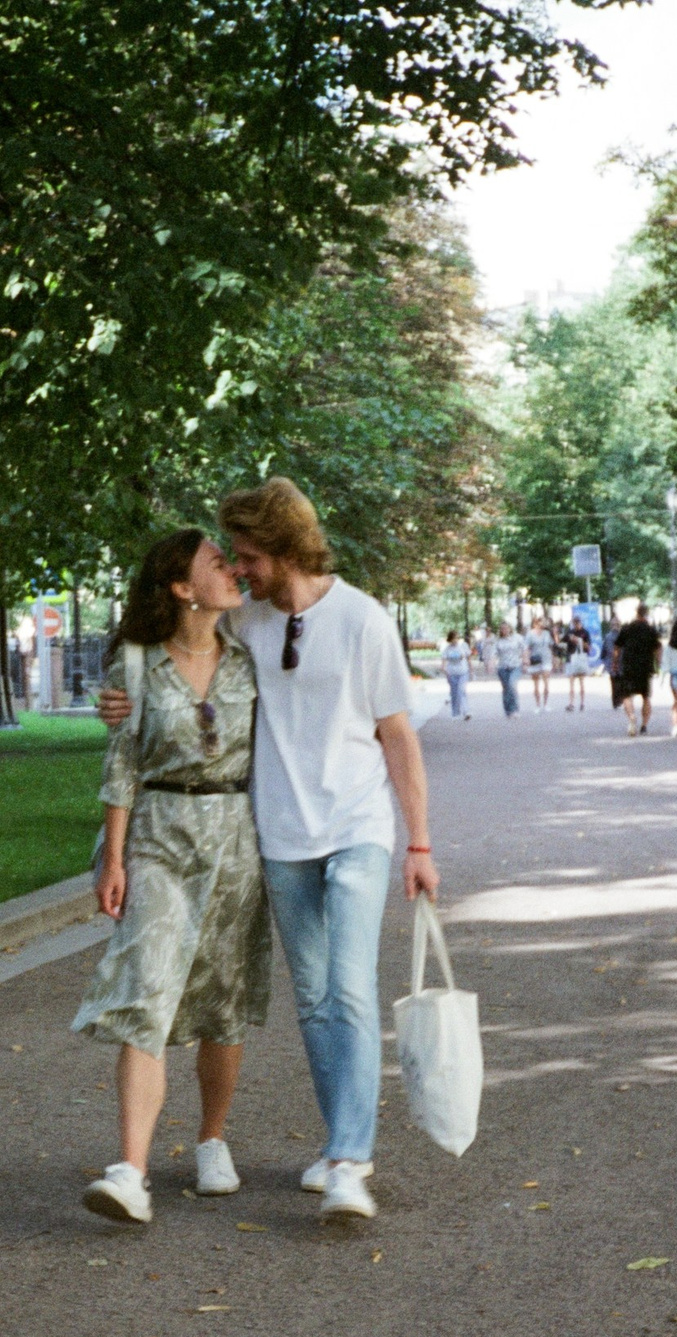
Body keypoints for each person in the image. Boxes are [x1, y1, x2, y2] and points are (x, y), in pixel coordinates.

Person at [99, 477, 439, 1222]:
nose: (240, 568)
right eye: (234, 558)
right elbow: (174, 666)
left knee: (348, 986)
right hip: (280, 841)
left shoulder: (362, 619)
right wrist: (117, 698)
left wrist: (418, 841)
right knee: (314, 998)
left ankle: (351, 1159)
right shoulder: (247, 624)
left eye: (248, 555)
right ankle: (336, 1141)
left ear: (284, 549)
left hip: (356, 830)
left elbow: (398, 736)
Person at [76, 530, 272, 1224]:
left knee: (225, 995)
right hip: (159, 834)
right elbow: (122, 764)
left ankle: (212, 1139)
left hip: (235, 839)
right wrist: (115, 857)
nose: (231, 570)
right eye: (216, 564)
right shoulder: (135, 666)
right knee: (145, 987)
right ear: (181, 588)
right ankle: (130, 1169)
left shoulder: (252, 656)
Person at [614, 606, 662, 735]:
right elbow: (657, 649)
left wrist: (615, 664)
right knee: (646, 697)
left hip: (629, 666)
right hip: (645, 667)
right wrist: (658, 664)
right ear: (646, 614)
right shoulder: (651, 630)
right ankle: (644, 725)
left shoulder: (627, 628)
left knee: (627, 695)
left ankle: (631, 717)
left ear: (636, 613)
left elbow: (617, 648)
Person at [492, 621, 526, 718]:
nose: (504, 630)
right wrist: (492, 663)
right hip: (503, 667)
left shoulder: (517, 638)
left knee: (512, 685)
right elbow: (494, 653)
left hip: (515, 666)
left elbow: (524, 648)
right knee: (506, 689)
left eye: (506, 628)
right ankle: (508, 710)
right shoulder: (498, 641)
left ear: (510, 628)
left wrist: (525, 660)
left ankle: (515, 709)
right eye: (502, 629)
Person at [440, 628, 472, 721]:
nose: (455, 640)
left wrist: (471, 669)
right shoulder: (447, 649)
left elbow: (468, 657)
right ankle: (455, 713)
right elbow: (444, 661)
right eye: (452, 639)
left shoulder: (463, 646)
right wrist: (443, 668)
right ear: (450, 640)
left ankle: (466, 712)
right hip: (452, 673)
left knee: (461, 691)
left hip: (463, 672)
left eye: (456, 638)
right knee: (454, 693)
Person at [526, 617, 556, 711]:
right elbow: (526, 647)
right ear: (536, 623)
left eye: (544, 622)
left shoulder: (547, 633)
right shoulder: (530, 634)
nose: (543, 624)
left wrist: (553, 658)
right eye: (541, 622)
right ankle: (537, 705)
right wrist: (526, 659)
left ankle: (546, 703)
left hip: (546, 659)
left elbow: (552, 645)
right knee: (536, 683)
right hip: (535, 660)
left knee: (546, 682)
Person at [563, 620, 594, 711]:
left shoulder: (585, 632)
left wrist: (580, 641)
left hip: (581, 659)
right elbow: (562, 641)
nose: (576, 626)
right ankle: (571, 703)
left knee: (581, 682)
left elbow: (589, 647)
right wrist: (570, 638)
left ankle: (582, 703)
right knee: (571, 683)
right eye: (575, 624)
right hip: (571, 659)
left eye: (578, 624)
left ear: (581, 624)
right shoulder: (570, 632)